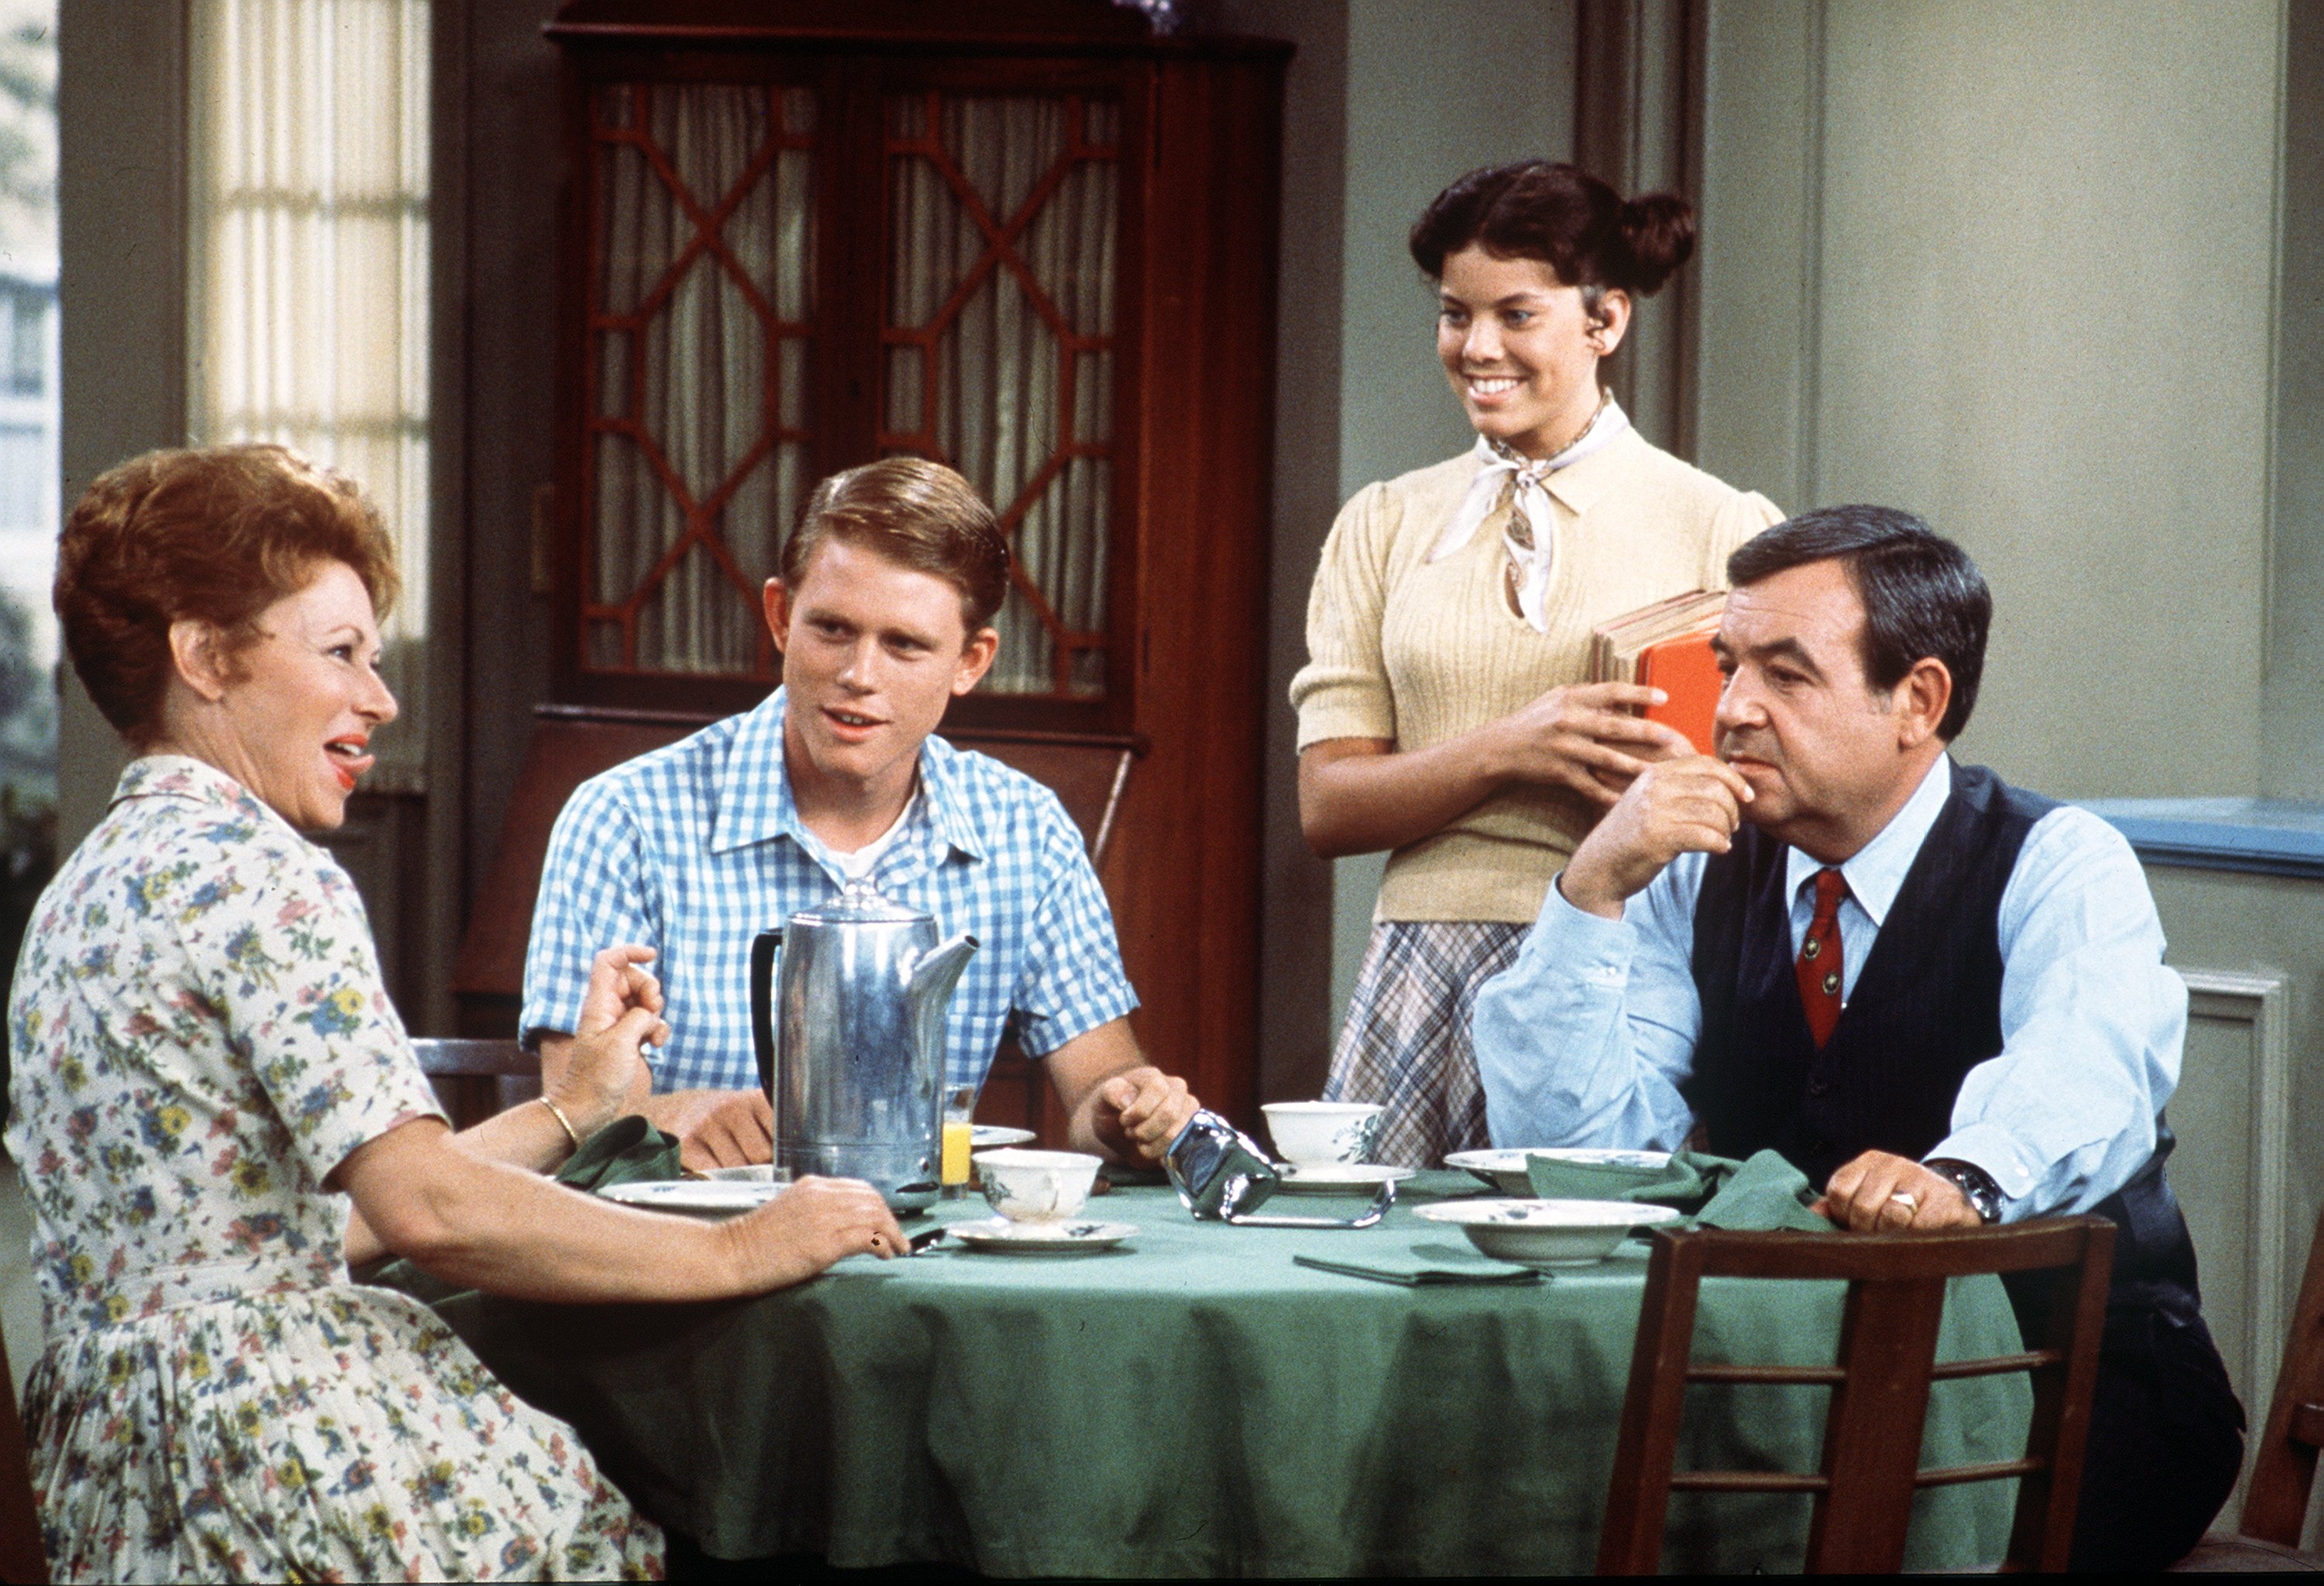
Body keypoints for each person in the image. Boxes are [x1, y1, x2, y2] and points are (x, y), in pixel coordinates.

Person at [9, 445, 911, 1584]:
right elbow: (429, 1208)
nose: (379, 697)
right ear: (203, 655)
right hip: (275, 1462)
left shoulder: (85, 888)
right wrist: (747, 1241)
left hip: (126, 1474)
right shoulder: (263, 877)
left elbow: (279, 1229)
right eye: (340, 652)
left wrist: (574, 1108)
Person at [1472, 507, 2244, 1570]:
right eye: (1726, 665)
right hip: (1775, 1392)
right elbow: (1589, 1153)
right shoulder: (1696, 867)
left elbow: (2087, 1061)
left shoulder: (2060, 859)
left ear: (1917, 700)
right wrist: (1592, 883)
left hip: (2065, 1382)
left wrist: (1960, 1180)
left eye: (1784, 675)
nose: (1732, 710)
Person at [1291, 160, 1783, 1167]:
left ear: (1605, 321)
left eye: (1516, 315)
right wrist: (1518, 744)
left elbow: (1753, 800)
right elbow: (1328, 806)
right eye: (1453, 315)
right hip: (1421, 966)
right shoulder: (1383, 523)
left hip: (1625, 964)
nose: (1477, 348)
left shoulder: (1723, 526)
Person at [522, 457, 1200, 1171]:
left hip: (916, 1261)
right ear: (782, 616)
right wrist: (669, 1118)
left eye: (904, 644)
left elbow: (1098, 1085)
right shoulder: (624, 818)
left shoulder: (1025, 832)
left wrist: (1131, 1114)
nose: (859, 676)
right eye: (834, 630)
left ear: (971, 661)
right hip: (690, 1257)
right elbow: (573, 1120)